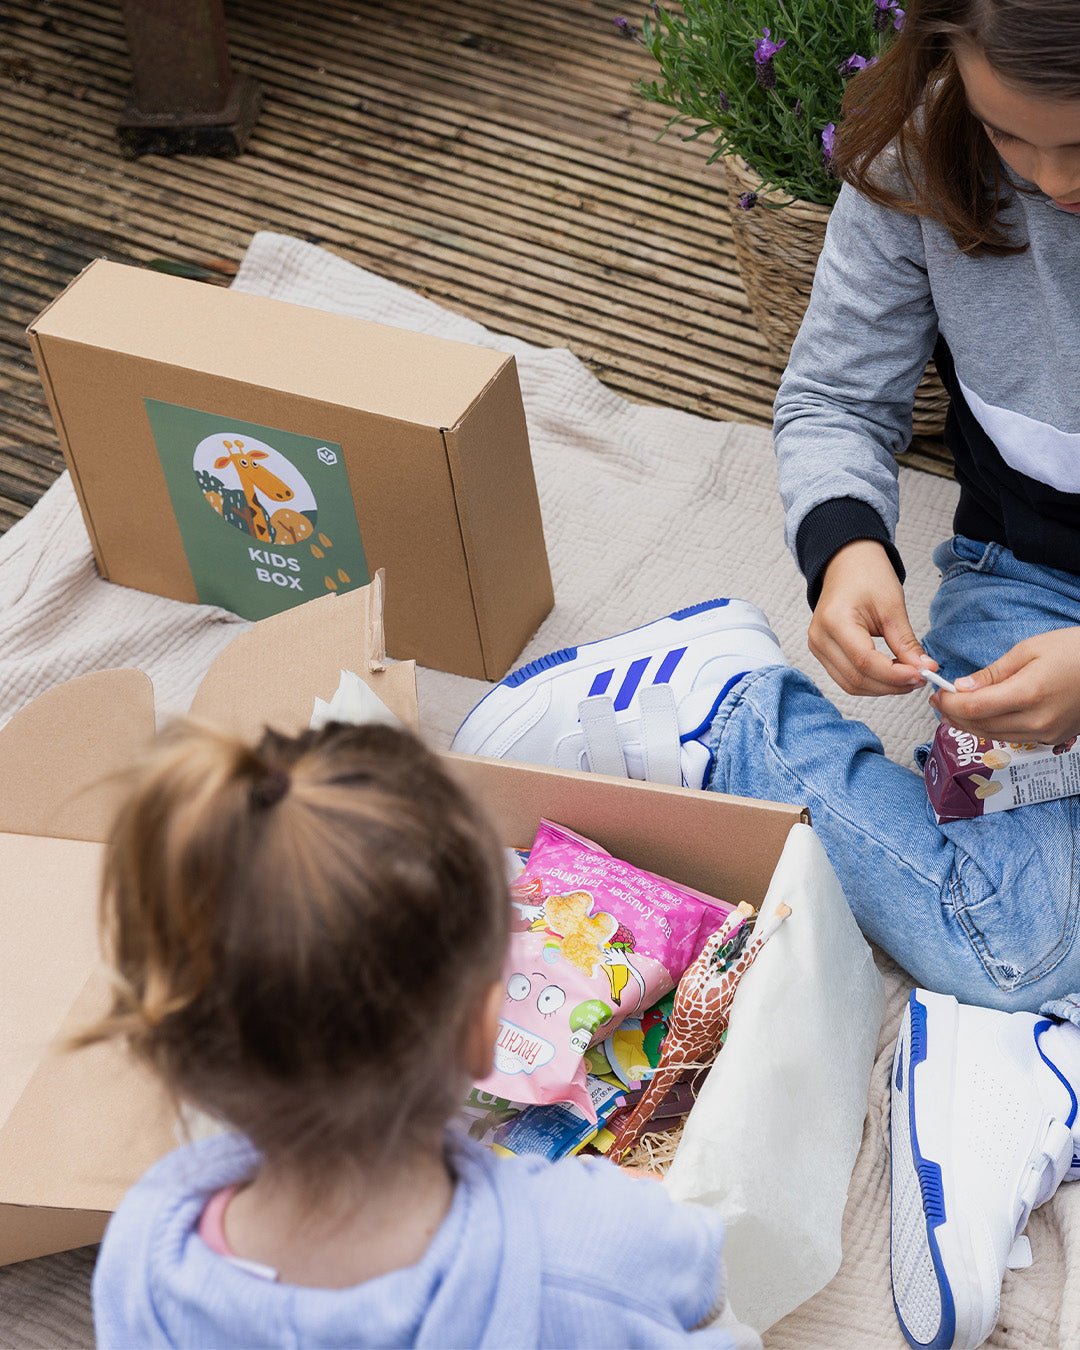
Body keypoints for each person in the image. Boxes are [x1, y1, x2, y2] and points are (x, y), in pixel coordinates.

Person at [450, 3, 1080, 1345]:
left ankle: (1004, 1056)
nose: (1050, 181)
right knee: (1010, 934)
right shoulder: (925, 156)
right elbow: (835, 399)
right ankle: (727, 705)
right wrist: (847, 548)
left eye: (1079, 141)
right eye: (1012, 137)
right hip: (1028, 585)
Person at [84, 718, 757, 1349]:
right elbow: (718, 1323)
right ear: (481, 1028)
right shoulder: (605, 1245)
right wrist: (649, 1235)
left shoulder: (145, 1248)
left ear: (169, 1051)